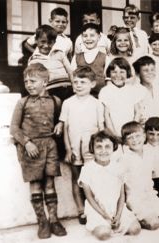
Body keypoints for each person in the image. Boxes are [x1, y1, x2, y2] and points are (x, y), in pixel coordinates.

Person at [10, 63, 66, 239]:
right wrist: (26, 143)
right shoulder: (22, 102)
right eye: (26, 81)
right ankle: (42, 222)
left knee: (50, 184)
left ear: (45, 81)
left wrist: (60, 124)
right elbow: (14, 128)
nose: (29, 84)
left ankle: (54, 220)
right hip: (30, 149)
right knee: (35, 184)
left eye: (33, 80)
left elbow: (62, 119)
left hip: (50, 146)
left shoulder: (56, 102)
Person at [60, 66, 106, 225]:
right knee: (76, 179)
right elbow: (65, 128)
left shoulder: (97, 104)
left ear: (93, 84)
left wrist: (99, 150)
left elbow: (101, 130)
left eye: (83, 82)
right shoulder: (67, 103)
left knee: (93, 179)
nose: (78, 85)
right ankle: (81, 211)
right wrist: (67, 149)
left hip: (91, 149)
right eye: (75, 82)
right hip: (73, 147)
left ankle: (95, 208)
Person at [79, 131, 141, 240]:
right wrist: (104, 215)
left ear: (114, 148)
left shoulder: (118, 167)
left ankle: (116, 223)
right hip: (97, 209)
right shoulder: (87, 169)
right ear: (92, 149)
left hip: (116, 208)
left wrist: (118, 215)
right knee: (104, 234)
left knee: (135, 229)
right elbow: (89, 198)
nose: (103, 151)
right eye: (99, 147)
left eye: (107, 146)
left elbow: (122, 195)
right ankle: (103, 225)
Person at [119, 121, 159, 230]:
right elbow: (120, 183)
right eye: (130, 138)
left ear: (144, 136)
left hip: (150, 195)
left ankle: (150, 214)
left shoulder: (149, 153)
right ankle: (137, 216)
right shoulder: (124, 158)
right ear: (125, 141)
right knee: (154, 224)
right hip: (135, 198)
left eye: (138, 136)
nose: (135, 140)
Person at [99, 57, 147, 138]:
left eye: (122, 72)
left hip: (131, 132)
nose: (118, 75)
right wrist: (113, 134)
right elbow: (106, 115)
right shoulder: (105, 91)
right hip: (113, 130)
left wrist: (131, 131)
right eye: (114, 72)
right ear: (109, 73)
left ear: (127, 73)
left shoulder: (132, 90)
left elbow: (137, 112)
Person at [27, 24, 73, 101]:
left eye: (50, 42)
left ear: (54, 42)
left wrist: (74, 87)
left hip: (67, 88)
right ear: (36, 40)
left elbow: (70, 71)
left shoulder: (59, 53)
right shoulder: (34, 60)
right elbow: (34, 80)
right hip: (49, 92)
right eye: (43, 42)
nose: (46, 45)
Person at [71, 23, 109, 97]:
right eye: (85, 36)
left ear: (99, 37)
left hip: (99, 95)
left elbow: (107, 79)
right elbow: (72, 77)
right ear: (81, 37)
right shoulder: (76, 57)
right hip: (80, 96)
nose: (88, 39)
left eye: (92, 35)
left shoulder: (105, 57)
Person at [133, 56, 159, 124]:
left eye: (152, 69)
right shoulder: (135, 91)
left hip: (157, 127)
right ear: (138, 74)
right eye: (145, 70)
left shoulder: (158, 89)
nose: (150, 73)